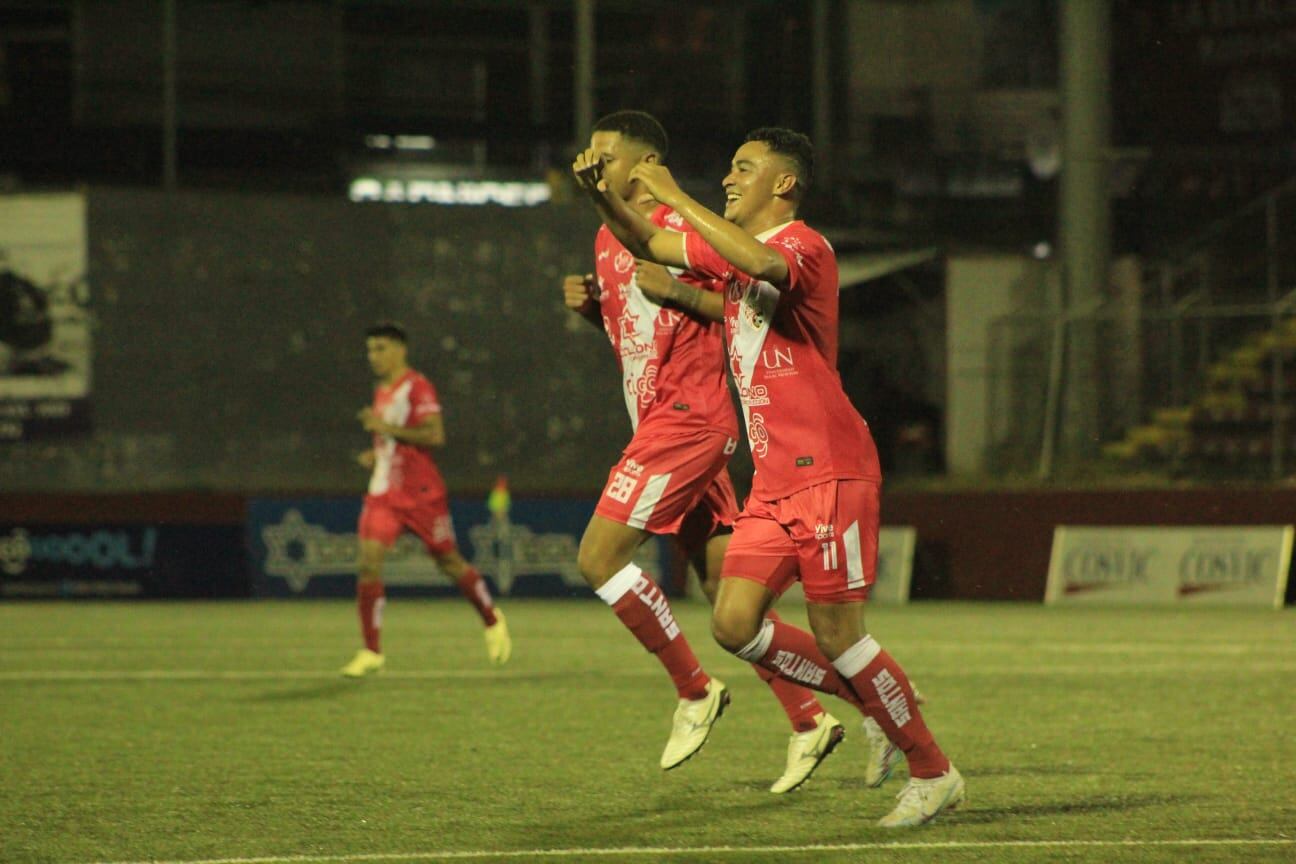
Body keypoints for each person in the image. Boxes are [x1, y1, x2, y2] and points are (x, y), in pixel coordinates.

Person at [576, 127, 964, 827]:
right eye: (727, 167)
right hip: (775, 481)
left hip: (830, 470)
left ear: (783, 184)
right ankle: (870, 703)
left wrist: (670, 193)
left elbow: (756, 260)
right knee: (732, 622)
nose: (729, 177)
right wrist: (607, 198)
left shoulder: (803, 246)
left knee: (840, 632)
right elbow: (655, 247)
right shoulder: (736, 263)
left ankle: (933, 771)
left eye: (744, 168)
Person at [564, 110, 844, 792]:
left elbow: (746, 309)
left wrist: (683, 292)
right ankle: (818, 716)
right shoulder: (608, 235)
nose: (592, 162)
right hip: (659, 423)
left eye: (605, 155)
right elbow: (635, 322)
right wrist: (590, 308)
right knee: (726, 597)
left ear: (642, 163)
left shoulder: (690, 227)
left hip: (688, 422)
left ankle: (694, 689)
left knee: (598, 558)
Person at [342, 322, 511, 677]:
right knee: (368, 564)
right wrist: (377, 453)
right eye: (371, 349)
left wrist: (384, 429)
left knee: (449, 562)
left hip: (420, 495)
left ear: (401, 350)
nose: (375, 356)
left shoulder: (417, 387)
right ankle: (371, 650)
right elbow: (391, 438)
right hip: (383, 494)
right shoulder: (382, 391)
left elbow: (434, 435)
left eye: (382, 348)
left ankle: (491, 618)